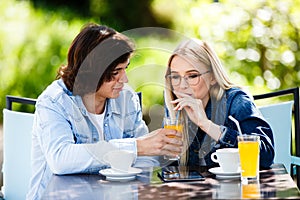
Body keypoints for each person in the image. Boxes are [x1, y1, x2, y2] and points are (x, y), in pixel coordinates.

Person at [27, 23, 182, 200]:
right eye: (116, 72)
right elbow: (61, 160)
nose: (124, 79)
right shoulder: (54, 102)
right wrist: (135, 147)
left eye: (126, 68)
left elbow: (145, 157)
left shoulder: (126, 98)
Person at [164, 38, 275, 168]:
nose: (182, 86)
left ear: (212, 77)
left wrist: (206, 125)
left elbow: (266, 156)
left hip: (236, 186)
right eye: (175, 77)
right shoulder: (174, 106)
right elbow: (171, 167)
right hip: (197, 187)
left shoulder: (236, 101)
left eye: (192, 76)